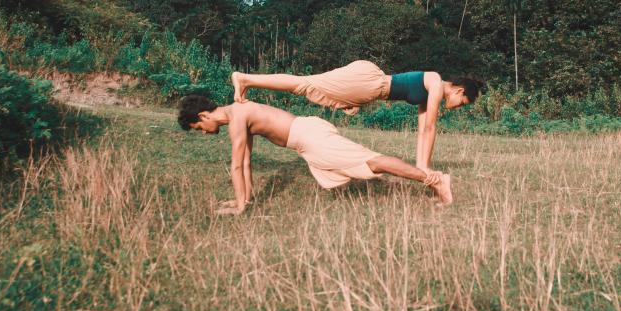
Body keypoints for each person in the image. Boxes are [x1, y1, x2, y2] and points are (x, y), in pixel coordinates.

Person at [177, 94, 452, 215]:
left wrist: (238, 208)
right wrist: (243, 200)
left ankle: (435, 180)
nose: (203, 132)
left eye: (199, 127)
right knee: (371, 163)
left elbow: (237, 167)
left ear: (202, 115)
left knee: (373, 162)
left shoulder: (236, 117)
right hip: (306, 139)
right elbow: (246, 163)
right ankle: (433, 180)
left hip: (309, 138)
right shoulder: (238, 114)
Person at [230, 61, 482, 169]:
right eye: (463, 101)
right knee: (304, 84)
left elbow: (422, 132)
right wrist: (425, 170)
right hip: (369, 83)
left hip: (367, 89)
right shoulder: (436, 83)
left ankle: (247, 80)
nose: (460, 106)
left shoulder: (429, 94)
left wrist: (421, 168)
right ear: (458, 90)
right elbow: (430, 129)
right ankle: (245, 79)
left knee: (309, 87)